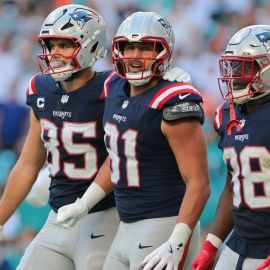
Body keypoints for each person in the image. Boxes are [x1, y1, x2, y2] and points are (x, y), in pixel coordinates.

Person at [0, 4, 192, 270]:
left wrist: (165, 80)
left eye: (64, 45)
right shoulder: (40, 89)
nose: (54, 54)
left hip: (105, 216)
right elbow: (28, 163)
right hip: (58, 216)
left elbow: (146, 82)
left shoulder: (113, 87)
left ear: (90, 45)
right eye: (50, 45)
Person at [57, 11, 210, 270]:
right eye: (129, 48)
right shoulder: (114, 87)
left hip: (164, 225)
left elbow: (199, 183)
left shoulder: (174, 100)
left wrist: (176, 242)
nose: (135, 56)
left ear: (164, 52)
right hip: (125, 226)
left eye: (145, 48)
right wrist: (84, 203)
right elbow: (120, 157)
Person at [191, 25, 270, 270]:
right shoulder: (226, 114)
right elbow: (232, 184)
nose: (234, 75)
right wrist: (211, 245)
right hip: (238, 243)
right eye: (232, 66)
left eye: (244, 67)